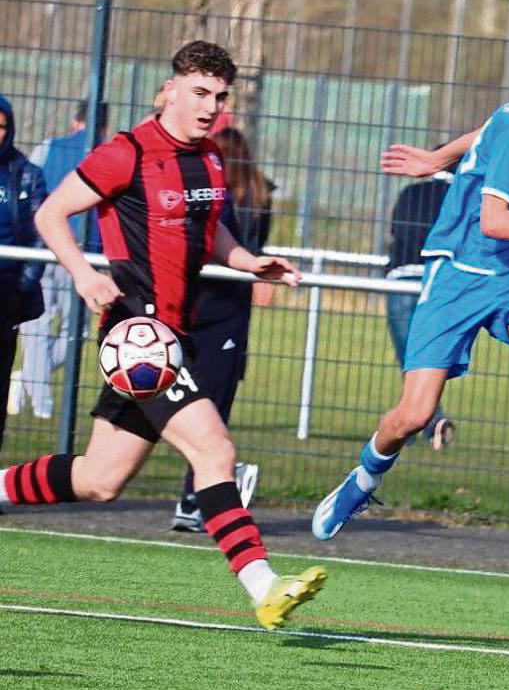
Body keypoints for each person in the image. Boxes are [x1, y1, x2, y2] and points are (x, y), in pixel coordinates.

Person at [0, 40, 325, 629]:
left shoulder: (212, 159)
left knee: (100, 480)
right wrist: (82, 273)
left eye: (220, 97)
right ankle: (264, 583)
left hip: (182, 328)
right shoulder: (124, 153)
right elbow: (51, 213)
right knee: (215, 449)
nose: (210, 107)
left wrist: (248, 260)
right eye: (200, 92)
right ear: (170, 89)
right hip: (138, 334)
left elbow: (211, 234)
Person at [313, 26, 509, 541]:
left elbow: (485, 131)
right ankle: (362, 479)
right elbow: (493, 221)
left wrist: (436, 158)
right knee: (414, 414)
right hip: (460, 275)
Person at [172, 127, 275, 532]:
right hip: (210, 305)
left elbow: (244, 247)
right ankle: (198, 492)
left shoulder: (252, 198)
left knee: (206, 401)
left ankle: (198, 496)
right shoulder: (209, 193)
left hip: (217, 303)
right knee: (205, 403)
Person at [8, 100, 108, 420]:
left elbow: (31, 192)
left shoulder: (50, 146)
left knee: (38, 329)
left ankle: (34, 389)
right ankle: (41, 400)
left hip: (47, 246)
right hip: (84, 251)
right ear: (103, 126)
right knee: (75, 332)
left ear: (75, 121)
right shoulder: (106, 153)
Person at [386, 154, 459, 450]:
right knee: (428, 360)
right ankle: (427, 421)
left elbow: (396, 230)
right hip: (439, 282)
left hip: (402, 277)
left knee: (410, 361)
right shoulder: (461, 196)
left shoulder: (409, 193)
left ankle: (419, 422)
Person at [0, 93, 47, 450]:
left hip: (6, 298)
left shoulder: (27, 175)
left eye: (1, 127)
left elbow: (39, 237)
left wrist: (22, 288)